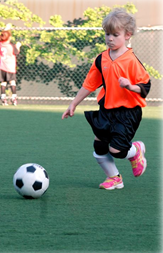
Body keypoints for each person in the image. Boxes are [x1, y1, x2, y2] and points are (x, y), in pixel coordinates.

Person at [62, 8, 151, 190]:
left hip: (128, 112)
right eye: (107, 34)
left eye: (115, 35)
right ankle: (114, 177)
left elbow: (145, 86)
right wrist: (73, 104)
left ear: (127, 35)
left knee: (117, 151)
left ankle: (135, 151)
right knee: (99, 145)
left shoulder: (132, 61)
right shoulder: (101, 59)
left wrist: (130, 86)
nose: (110, 38)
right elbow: (89, 84)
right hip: (106, 110)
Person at [0, 30, 21, 106]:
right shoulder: (11, 46)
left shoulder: (0, 44)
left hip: (2, 66)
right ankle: (14, 98)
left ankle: (3, 98)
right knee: (12, 82)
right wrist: (18, 46)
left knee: (3, 83)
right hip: (10, 67)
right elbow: (16, 52)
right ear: (8, 38)